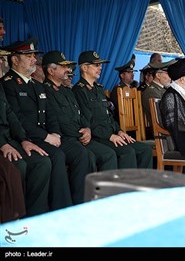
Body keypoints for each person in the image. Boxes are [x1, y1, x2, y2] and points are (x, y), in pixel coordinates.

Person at [1, 37, 73, 210]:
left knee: (66, 153)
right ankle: (42, 211)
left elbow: (51, 114)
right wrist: (44, 136)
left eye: (34, 55)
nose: (34, 59)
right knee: (49, 158)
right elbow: (17, 118)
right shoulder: (8, 84)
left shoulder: (37, 85)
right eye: (29, 56)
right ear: (15, 59)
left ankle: (59, 207)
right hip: (27, 137)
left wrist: (54, 133)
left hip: (37, 137)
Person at [72, 50, 153, 170]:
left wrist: (119, 131)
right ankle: (124, 187)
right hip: (97, 136)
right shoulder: (79, 90)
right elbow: (88, 121)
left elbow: (109, 116)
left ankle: (140, 185)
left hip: (110, 133)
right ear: (84, 67)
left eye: (100, 65)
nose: (100, 68)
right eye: (96, 65)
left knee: (145, 150)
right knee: (127, 152)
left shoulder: (98, 89)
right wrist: (110, 136)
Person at [42, 50, 118, 175]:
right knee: (94, 155)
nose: (68, 69)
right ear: (51, 71)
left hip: (80, 137)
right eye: (64, 66)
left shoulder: (67, 91)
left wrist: (87, 129)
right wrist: (80, 134)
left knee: (106, 154)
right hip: (67, 138)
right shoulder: (45, 91)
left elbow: (81, 114)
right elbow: (59, 121)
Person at [0, 82, 51, 217]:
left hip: (10, 139)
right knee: (17, 165)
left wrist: (24, 140)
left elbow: (10, 114)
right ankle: (16, 217)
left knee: (42, 162)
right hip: (2, 142)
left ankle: (36, 214)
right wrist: (2, 144)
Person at [141, 59, 176, 125]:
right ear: (158, 75)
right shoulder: (151, 92)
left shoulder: (162, 90)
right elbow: (161, 120)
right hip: (164, 132)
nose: (171, 77)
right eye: (168, 73)